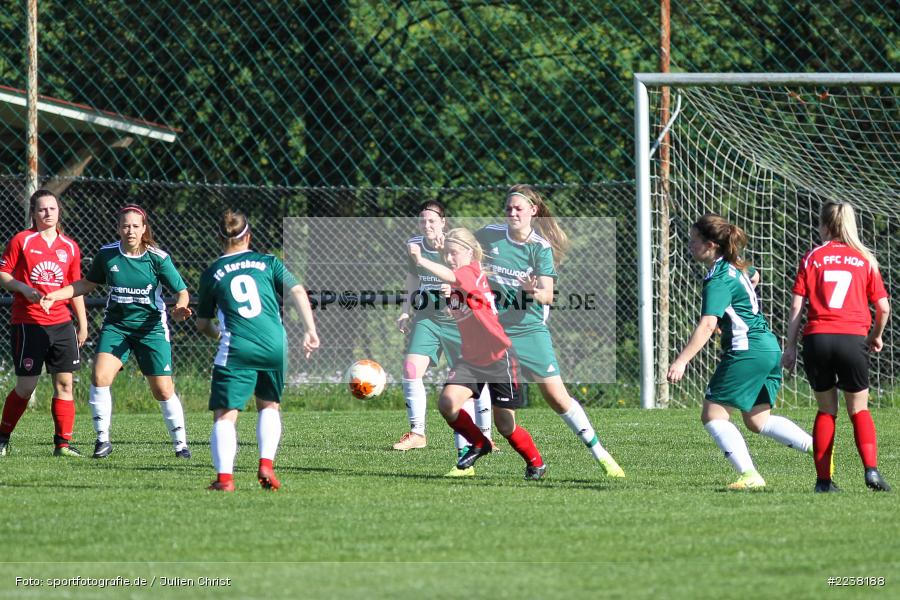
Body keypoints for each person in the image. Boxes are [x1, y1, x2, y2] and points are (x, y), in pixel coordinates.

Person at [473, 184, 625, 479]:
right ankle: (514, 460)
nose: (513, 213)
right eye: (509, 208)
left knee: (557, 397)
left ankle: (601, 454)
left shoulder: (539, 247)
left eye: (519, 208)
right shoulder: (489, 235)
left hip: (529, 330)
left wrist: (530, 289)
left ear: (533, 211)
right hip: (493, 331)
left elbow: (547, 295)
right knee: (500, 417)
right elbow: (464, 253)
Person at [667, 214, 813, 490]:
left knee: (713, 415)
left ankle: (749, 475)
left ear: (711, 245)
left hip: (746, 350)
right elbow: (755, 276)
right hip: (768, 347)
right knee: (758, 420)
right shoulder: (738, 266)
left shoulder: (718, 278)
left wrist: (682, 361)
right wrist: (731, 315)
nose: (689, 244)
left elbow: (707, 324)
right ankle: (819, 450)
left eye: (693, 240)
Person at [42, 204, 192, 459]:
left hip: (150, 329)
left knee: (162, 390)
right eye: (125, 226)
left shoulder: (158, 258)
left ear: (144, 228)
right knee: (100, 377)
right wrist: (56, 295)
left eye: (135, 226)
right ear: (118, 228)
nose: (130, 231)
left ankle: (181, 445)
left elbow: (182, 291)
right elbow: (87, 284)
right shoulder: (108, 254)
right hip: (117, 327)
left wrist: (180, 307)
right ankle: (102, 440)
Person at [196, 210, 319, 492]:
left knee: (225, 414)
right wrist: (310, 330)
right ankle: (266, 464)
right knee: (269, 405)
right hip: (275, 344)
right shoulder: (268, 262)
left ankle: (225, 479)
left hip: (238, 346)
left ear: (219, 237)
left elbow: (203, 323)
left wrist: (218, 335)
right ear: (249, 235)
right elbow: (298, 292)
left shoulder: (213, 272)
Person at [409, 228, 546, 479]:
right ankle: (479, 443)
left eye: (454, 253)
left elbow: (454, 274)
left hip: (498, 357)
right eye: (446, 254)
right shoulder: (457, 280)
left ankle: (536, 462)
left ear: (470, 253)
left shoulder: (469, 271)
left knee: (505, 425)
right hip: (471, 359)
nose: (449, 258)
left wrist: (420, 260)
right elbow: (460, 304)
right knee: (447, 403)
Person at [782, 201, 891, 493]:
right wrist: (875, 336)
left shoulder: (812, 257)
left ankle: (823, 482)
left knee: (827, 410)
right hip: (852, 339)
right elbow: (883, 308)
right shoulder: (865, 259)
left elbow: (796, 306)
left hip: (817, 338)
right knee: (859, 409)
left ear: (825, 226)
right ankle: (871, 471)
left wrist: (790, 347)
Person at [394, 200, 493, 465]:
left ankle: (485, 435)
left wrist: (455, 291)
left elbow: (471, 277)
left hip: (457, 320)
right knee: (411, 370)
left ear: (443, 223)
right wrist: (405, 309)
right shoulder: (415, 244)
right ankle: (417, 433)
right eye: (422, 220)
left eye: (432, 221)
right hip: (428, 317)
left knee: (472, 381)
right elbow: (413, 278)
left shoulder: (453, 245)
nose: (426, 225)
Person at [0, 189, 88, 457]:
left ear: (59, 211)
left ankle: (62, 444)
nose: (47, 213)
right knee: (26, 386)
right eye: (42, 209)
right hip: (29, 323)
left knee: (65, 384)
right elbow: (3, 273)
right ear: (33, 213)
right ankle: (3, 437)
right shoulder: (22, 240)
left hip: (62, 323)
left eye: (52, 208)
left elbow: (75, 288)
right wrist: (23, 288)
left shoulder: (70, 247)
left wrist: (82, 324)